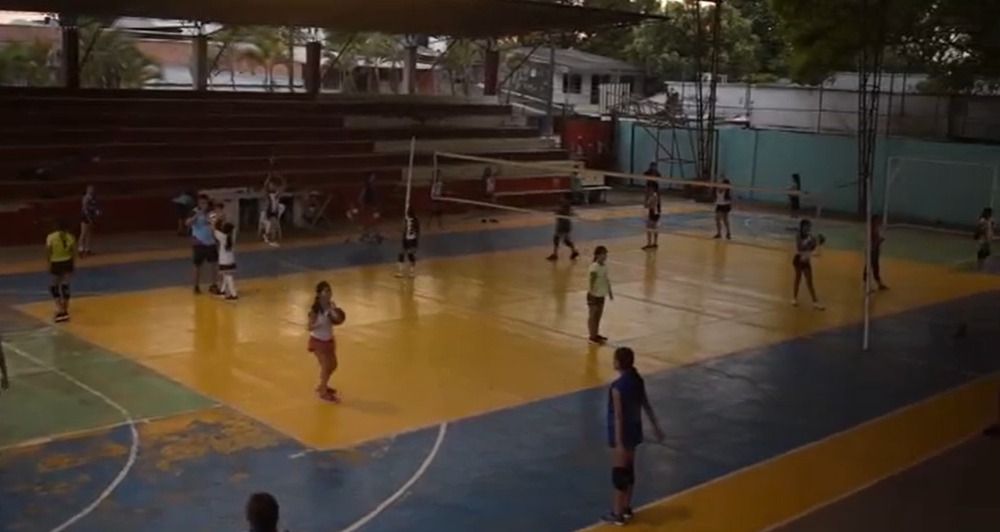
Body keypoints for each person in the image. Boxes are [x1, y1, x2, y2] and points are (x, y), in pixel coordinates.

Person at [602, 346, 664, 526]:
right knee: (629, 471)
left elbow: (619, 416)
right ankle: (627, 507)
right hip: (635, 430)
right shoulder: (638, 380)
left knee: (619, 474)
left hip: (623, 433)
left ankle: (617, 513)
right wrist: (656, 427)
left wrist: (619, 442)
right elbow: (646, 404)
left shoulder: (617, 388)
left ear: (618, 363)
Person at [308, 281, 345, 402]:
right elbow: (309, 326)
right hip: (318, 341)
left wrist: (335, 314)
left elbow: (338, 319)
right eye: (326, 291)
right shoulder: (315, 309)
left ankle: (322, 385)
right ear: (319, 294)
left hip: (329, 340)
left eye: (330, 290)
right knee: (325, 366)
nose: (329, 293)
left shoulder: (331, 305)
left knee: (333, 365)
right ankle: (323, 392)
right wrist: (319, 323)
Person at [187, 194, 220, 295]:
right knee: (197, 265)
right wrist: (198, 214)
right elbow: (187, 223)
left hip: (210, 241)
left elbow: (215, 223)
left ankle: (214, 285)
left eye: (205, 203)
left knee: (214, 264)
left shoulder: (211, 212)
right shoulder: (194, 211)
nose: (203, 205)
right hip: (199, 241)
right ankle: (196, 286)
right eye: (201, 203)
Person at [46, 218, 77, 323]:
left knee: (54, 287)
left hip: (56, 262)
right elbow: (73, 252)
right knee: (65, 285)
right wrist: (73, 264)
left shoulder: (51, 237)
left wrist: (49, 264)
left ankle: (60, 310)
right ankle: (65, 309)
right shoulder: (70, 237)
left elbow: (48, 252)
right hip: (68, 261)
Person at [792, 219, 824, 310]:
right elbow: (799, 247)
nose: (808, 228)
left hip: (806, 261)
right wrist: (808, 242)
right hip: (798, 260)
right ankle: (794, 298)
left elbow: (813, 248)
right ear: (802, 227)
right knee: (798, 279)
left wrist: (818, 242)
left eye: (809, 226)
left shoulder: (811, 237)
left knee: (809, 282)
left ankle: (815, 302)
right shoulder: (798, 236)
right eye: (807, 226)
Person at [588, 246, 613, 344]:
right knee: (593, 315)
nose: (605, 256)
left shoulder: (604, 267)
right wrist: (591, 291)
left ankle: (596, 334)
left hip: (601, 294)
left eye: (605, 254)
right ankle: (592, 336)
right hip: (594, 294)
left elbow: (606, 279)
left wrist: (609, 291)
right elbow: (592, 280)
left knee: (598, 315)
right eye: (602, 254)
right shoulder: (594, 267)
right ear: (597, 255)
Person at [547, 196, 580, 261]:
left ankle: (555, 254)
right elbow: (572, 213)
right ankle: (574, 251)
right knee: (565, 240)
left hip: (562, 224)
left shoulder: (562, 207)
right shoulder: (567, 207)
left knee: (557, 238)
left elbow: (556, 212)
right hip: (566, 224)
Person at [215, 222, 238, 300]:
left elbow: (214, 231)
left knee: (228, 277)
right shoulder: (232, 238)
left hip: (224, 261)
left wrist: (215, 222)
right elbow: (234, 229)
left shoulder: (223, 237)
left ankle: (234, 294)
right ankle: (223, 290)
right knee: (226, 276)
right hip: (231, 260)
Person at [864, 214, 888, 291]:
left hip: (875, 250)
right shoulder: (871, 229)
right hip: (872, 250)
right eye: (877, 221)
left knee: (874, 267)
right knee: (870, 267)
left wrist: (879, 240)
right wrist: (879, 241)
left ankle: (878, 283)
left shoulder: (875, 229)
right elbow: (872, 241)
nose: (878, 222)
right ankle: (867, 285)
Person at [261, 175, 285, 247]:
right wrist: (268, 178)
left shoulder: (277, 194)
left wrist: (281, 179)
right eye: (270, 186)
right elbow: (264, 187)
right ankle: (271, 238)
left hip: (275, 211)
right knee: (272, 224)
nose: (272, 187)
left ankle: (269, 237)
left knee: (273, 225)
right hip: (269, 211)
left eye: (273, 185)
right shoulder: (267, 195)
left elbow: (282, 188)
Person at [396, 208, 420, 278]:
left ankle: (411, 272)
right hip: (407, 240)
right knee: (402, 254)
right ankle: (401, 272)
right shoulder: (407, 220)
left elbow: (417, 231)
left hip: (411, 240)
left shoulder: (413, 220)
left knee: (409, 255)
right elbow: (403, 229)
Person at [79, 185, 99, 257]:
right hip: (85, 217)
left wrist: (97, 213)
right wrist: (89, 219)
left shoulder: (94, 198)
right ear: (87, 190)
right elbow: (84, 209)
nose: (91, 191)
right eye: (90, 189)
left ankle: (87, 249)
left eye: (92, 189)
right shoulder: (86, 198)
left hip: (91, 217)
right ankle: (81, 249)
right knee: (83, 233)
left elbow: (96, 207)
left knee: (89, 233)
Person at [642, 181, 661, 250]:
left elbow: (646, 205)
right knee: (654, 228)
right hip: (656, 213)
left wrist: (646, 197)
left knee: (649, 228)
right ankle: (655, 243)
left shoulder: (653, 196)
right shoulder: (657, 195)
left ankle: (649, 244)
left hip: (653, 213)